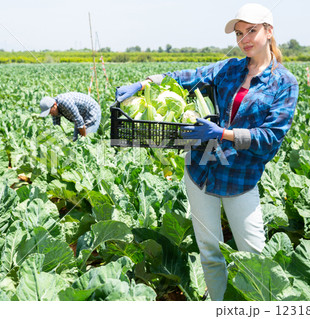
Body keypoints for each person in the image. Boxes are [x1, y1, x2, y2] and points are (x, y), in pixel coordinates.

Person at [115, 3, 299, 301]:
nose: (244, 40)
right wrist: (144, 83)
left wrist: (222, 134)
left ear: (269, 31)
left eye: (251, 31)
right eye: (239, 34)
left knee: (254, 257)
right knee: (210, 252)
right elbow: (186, 76)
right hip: (200, 172)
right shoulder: (229, 68)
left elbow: (271, 136)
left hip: (239, 180)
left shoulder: (284, 83)